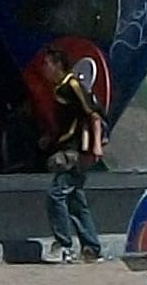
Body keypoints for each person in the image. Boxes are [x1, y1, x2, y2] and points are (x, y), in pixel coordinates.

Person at [43, 59, 112, 259]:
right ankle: (91, 247)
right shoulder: (60, 89)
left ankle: (64, 246)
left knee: (56, 195)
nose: (44, 69)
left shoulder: (72, 86)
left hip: (75, 152)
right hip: (68, 148)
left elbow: (93, 115)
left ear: (58, 65)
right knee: (75, 200)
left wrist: (96, 145)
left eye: (47, 64)